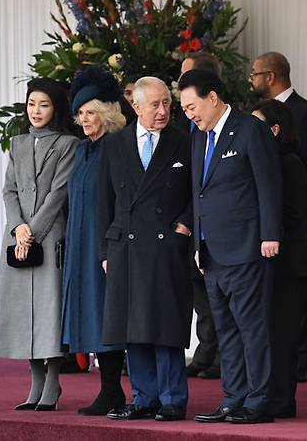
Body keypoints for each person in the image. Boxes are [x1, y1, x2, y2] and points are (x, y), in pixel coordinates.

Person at [179, 69, 282, 424]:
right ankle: (233, 397)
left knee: (252, 327)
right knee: (225, 329)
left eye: (193, 106)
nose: (190, 114)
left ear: (212, 98)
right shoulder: (197, 138)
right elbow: (198, 193)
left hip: (247, 247)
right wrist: (197, 241)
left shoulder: (249, 129)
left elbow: (269, 185)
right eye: (185, 109)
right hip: (210, 253)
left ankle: (259, 399)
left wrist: (270, 235)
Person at [99, 76, 193, 422]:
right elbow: (104, 202)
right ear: (135, 106)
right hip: (125, 246)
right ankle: (143, 397)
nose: (163, 110)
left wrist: (185, 226)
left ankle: (172, 399)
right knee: (133, 326)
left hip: (166, 245)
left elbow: (197, 194)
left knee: (165, 324)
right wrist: (104, 251)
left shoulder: (185, 142)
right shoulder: (115, 145)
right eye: (155, 104)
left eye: (167, 102)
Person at [0, 77, 78, 411]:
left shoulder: (68, 144)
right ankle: (35, 382)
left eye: (43, 104)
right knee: (21, 311)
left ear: (55, 108)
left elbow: (59, 193)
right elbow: (9, 190)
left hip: (50, 235)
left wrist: (34, 231)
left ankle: (53, 381)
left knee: (48, 308)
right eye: (31, 104)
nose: (36, 111)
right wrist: (18, 229)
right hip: (17, 238)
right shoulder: (17, 143)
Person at [249, 51, 307, 382]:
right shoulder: (259, 115)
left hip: (297, 214)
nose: (250, 81)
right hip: (276, 218)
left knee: (296, 291)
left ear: (270, 76)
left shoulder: (303, 112)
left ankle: (301, 358)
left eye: (254, 74)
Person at [61, 66, 127, 415]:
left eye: (90, 112)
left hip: (104, 245)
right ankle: (109, 390)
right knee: (92, 313)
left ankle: (113, 390)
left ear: (106, 113)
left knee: (107, 315)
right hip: (81, 244)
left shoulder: (116, 147)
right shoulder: (84, 150)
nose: (84, 119)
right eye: (81, 113)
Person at [252, 99, 307, 417]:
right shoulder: (272, 160)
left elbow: (291, 215)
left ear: (274, 130)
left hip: (288, 265)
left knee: (282, 336)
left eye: (257, 124)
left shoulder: (288, 162)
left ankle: (281, 401)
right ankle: (270, 397)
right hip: (272, 263)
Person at [177, 52, 223, 380]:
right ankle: (206, 352)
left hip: (220, 229)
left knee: (217, 295)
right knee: (200, 295)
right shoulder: (191, 126)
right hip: (192, 224)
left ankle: (217, 355)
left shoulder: (234, 127)